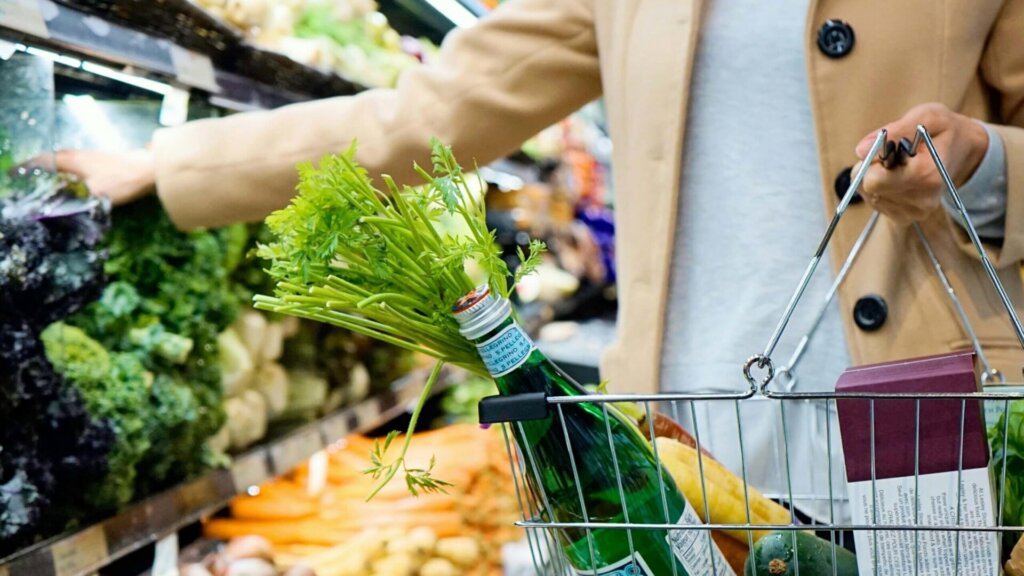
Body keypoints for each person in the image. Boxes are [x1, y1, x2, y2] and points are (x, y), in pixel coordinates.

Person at [55, 0, 1024, 524]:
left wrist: (978, 168)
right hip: (687, 447)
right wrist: (170, 164)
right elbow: (423, 116)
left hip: (930, 441)